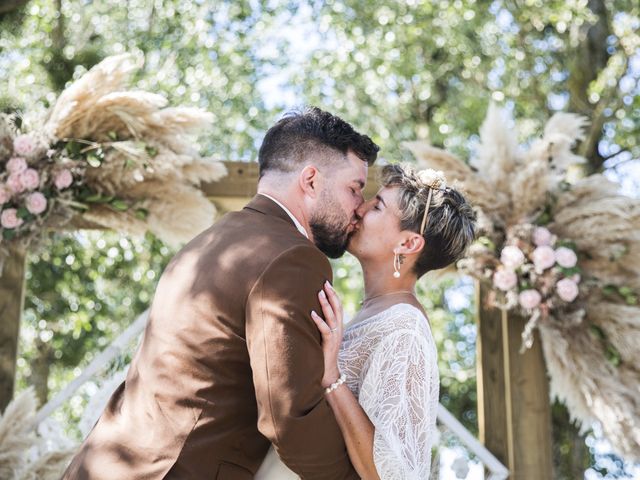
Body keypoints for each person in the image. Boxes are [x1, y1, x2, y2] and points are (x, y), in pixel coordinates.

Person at [61, 107, 379, 480]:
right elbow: (289, 418)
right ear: (310, 180)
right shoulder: (293, 258)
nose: (359, 208)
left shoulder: (209, 241)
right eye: (354, 188)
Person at [256, 164, 476, 479]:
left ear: (408, 244)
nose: (360, 209)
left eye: (378, 206)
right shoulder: (378, 313)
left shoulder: (405, 329)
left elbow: (396, 474)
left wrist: (332, 377)